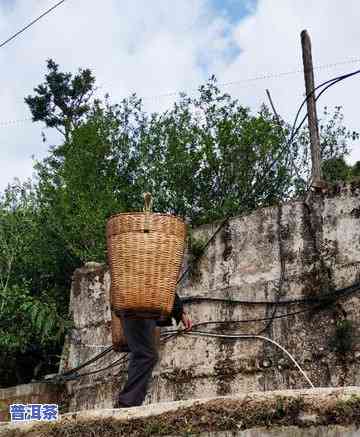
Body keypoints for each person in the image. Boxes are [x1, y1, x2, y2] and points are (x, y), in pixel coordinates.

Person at [114, 293, 192, 408]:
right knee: (146, 355)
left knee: (143, 354)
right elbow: (164, 281)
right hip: (138, 308)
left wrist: (180, 312)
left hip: (137, 309)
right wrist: (180, 312)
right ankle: (127, 403)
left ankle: (129, 402)